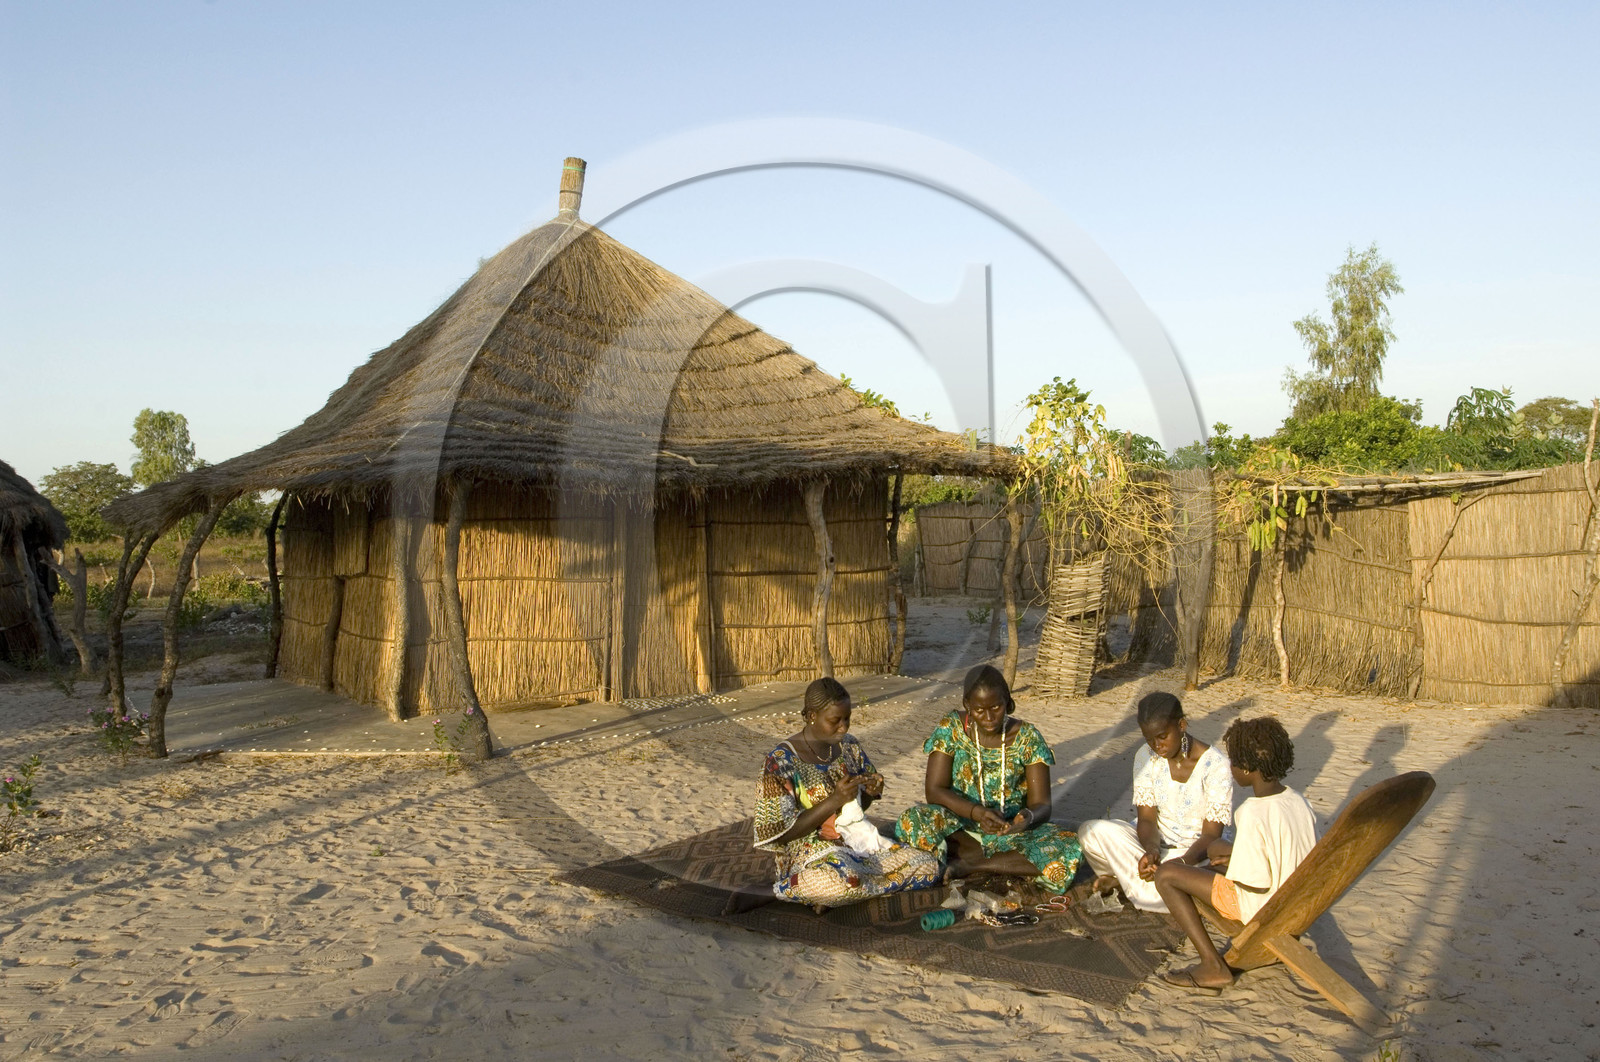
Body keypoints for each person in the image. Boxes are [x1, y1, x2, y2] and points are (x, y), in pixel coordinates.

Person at [1154, 715, 1318, 993]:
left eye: (1233, 762)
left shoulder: (1252, 812)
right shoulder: (1298, 800)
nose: (1230, 768)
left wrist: (1227, 857)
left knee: (1167, 874)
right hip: (1291, 899)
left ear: (1247, 767)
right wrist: (1233, 855)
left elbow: (1253, 882)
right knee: (1209, 863)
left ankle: (1212, 965)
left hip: (1260, 906)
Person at [753, 677, 941, 910]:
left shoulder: (849, 747)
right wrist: (834, 800)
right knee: (839, 880)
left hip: (856, 844)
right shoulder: (780, 763)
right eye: (835, 721)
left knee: (927, 866)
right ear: (812, 716)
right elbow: (780, 834)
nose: (844, 727)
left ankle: (834, 894)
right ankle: (775, 891)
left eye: (847, 718)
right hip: (808, 853)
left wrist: (870, 793)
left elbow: (854, 812)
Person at [894, 665, 1082, 893]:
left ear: (1007, 702)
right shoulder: (951, 728)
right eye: (980, 710)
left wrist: (1027, 818)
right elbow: (934, 790)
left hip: (1010, 834)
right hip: (960, 829)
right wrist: (977, 813)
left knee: (1071, 845)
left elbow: (1042, 805)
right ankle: (1002, 864)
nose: (989, 717)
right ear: (967, 706)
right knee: (913, 820)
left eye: (996, 707)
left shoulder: (1028, 738)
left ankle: (972, 865)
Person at [1077, 691, 1233, 911]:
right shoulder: (1145, 756)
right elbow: (1147, 819)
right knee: (1091, 832)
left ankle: (1130, 884)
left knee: (1170, 886)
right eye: (1149, 739)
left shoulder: (1216, 765)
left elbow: (1211, 836)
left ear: (1182, 725)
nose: (1157, 745)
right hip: (1154, 843)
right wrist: (1151, 852)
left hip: (1196, 854)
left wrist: (1179, 865)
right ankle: (1141, 883)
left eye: (1162, 736)